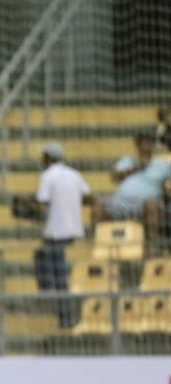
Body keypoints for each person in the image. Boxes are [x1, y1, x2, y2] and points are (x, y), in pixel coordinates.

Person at [13, 143, 92, 328]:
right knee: (50, 265)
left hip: (56, 233)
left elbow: (42, 207)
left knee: (56, 274)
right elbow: (89, 197)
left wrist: (24, 201)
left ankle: (57, 306)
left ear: (47, 158)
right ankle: (56, 303)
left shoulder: (47, 176)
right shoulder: (74, 174)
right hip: (74, 231)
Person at [91, 134, 171, 257]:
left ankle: (152, 246)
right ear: (137, 144)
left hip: (144, 205)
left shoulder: (162, 165)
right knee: (98, 205)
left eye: (149, 143)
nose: (146, 146)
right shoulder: (126, 161)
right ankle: (99, 244)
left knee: (151, 204)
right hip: (121, 204)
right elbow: (114, 178)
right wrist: (135, 168)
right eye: (143, 143)